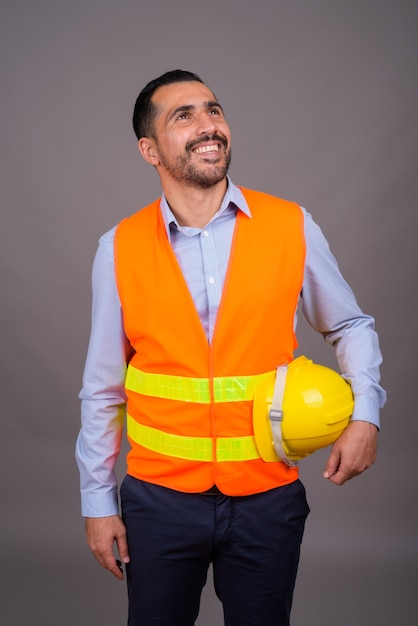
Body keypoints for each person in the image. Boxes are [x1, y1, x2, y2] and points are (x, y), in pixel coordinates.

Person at [75, 69, 386, 626]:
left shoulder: (291, 224)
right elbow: (102, 389)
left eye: (213, 110)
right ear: (149, 149)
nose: (207, 125)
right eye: (183, 116)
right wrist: (98, 504)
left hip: (266, 496)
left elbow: (351, 325)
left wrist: (366, 414)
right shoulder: (118, 247)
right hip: (159, 501)